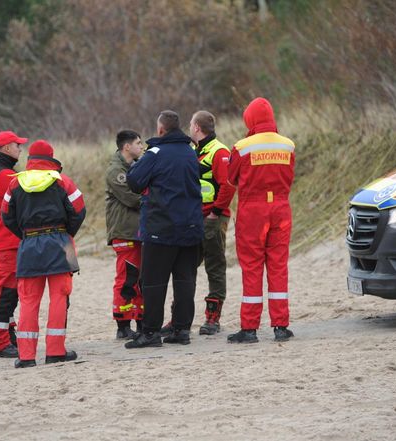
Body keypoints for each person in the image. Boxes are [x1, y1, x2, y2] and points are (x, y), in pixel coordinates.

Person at [1, 140, 86, 368]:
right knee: (60, 297)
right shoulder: (62, 181)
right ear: (51, 157)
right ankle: (55, 352)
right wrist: (66, 233)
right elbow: (79, 210)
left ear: (30, 159)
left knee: (28, 300)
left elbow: (6, 215)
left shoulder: (15, 183)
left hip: (29, 244)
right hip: (61, 242)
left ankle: (26, 356)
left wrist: (26, 234)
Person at [125, 110, 203, 348]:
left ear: (160, 130)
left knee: (153, 282)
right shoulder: (192, 153)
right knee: (185, 281)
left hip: (162, 228)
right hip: (191, 227)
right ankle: (181, 330)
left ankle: (150, 333)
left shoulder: (155, 153)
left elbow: (135, 181)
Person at [226, 97, 296, 343]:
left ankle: (249, 328)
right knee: (278, 266)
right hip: (280, 208)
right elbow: (290, 177)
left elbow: (230, 178)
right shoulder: (288, 146)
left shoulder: (242, 147)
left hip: (252, 211)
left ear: (250, 119)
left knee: (252, 267)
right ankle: (280, 325)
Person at [189, 110, 235, 335]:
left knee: (214, 267)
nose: (189, 128)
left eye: (191, 125)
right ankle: (182, 318)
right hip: (193, 218)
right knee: (186, 266)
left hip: (213, 218)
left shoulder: (220, 152)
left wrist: (215, 212)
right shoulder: (193, 150)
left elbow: (228, 185)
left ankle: (212, 318)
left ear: (197, 127)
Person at [0, 130, 27, 358]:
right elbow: (27, 189)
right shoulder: (3, 174)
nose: (20, 148)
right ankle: (0, 343)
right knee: (5, 292)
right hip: (6, 241)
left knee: (11, 292)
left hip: (7, 240)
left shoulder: (2, 171)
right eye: (17, 145)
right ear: (5, 148)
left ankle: (7, 336)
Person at [105, 130, 144, 339]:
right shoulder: (115, 171)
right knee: (127, 278)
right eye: (138, 143)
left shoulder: (135, 166)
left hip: (137, 231)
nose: (142, 146)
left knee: (140, 279)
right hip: (124, 231)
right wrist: (151, 199)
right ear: (126, 146)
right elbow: (131, 198)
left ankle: (140, 319)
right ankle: (122, 323)